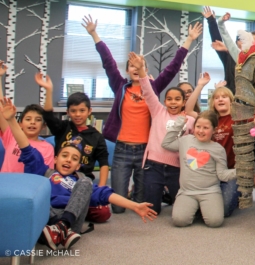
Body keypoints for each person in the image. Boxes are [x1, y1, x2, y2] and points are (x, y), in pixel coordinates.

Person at [2, 97, 156, 251]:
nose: (69, 160)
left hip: (71, 219)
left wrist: (135, 205)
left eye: (74, 158)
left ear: (78, 165)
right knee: (39, 193)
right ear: (55, 159)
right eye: (64, 155)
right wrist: (11, 120)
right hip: (46, 217)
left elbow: (104, 194)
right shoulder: (45, 172)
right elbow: (27, 149)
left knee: (87, 183)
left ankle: (61, 227)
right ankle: (57, 233)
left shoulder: (79, 182)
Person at [82, 15, 199, 213]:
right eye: (132, 66)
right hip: (122, 150)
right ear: (127, 70)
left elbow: (173, 68)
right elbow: (108, 63)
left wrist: (188, 40)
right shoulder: (120, 86)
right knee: (118, 208)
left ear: (144, 69)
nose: (136, 69)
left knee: (140, 202)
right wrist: (94, 34)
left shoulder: (152, 88)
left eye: (140, 66)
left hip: (146, 151)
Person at [35, 73, 112, 223]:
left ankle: (67, 211)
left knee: (103, 213)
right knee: (43, 202)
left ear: (89, 111)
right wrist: (49, 90)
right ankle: (70, 212)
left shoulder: (97, 136)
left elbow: (103, 163)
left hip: (81, 183)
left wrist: (101, 188)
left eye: (82, 110)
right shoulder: (63, 128)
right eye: (73, 111)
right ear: (68, 112)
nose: (78, 114)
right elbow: (48, 115)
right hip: (59, 180)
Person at [127, 52, 195, 215]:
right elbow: (148, 90)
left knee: (180, 209)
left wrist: (193, 169)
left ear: (183, 102)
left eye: (177, 99)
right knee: (153, 210)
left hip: (176, 168)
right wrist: (141, 70)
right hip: (154, 165)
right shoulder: (158, 111)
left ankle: (168, 195)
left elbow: (193, 147)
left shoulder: (190, 121)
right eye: (169, 99)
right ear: (164, 101)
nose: (173, 102)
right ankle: (155, 194)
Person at [161, 111, 237, 227]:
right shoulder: (185, 141)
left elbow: (222, 175)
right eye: (198, 127)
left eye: (206, 128)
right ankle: (196, 208)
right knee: (179, 221)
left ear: (214, 130)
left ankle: (202, 208)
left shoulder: (218, 149)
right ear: (194, 127)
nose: (201, 131)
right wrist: (179, 124)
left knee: (215, 222)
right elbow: (166, 143)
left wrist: (241, 171)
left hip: (210, 191)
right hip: (187, 192)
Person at [185, 76, 241, 216]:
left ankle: (240, 193)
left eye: (224, 97)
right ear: (213, 102)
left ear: (231, 101)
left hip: (230, 171)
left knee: (224, 210)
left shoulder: (239, 118)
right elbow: (188, 110)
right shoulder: (209, 119)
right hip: (208, 171)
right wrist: (200, 86)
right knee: (198, 210)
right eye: (217, 97)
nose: (220, 99)